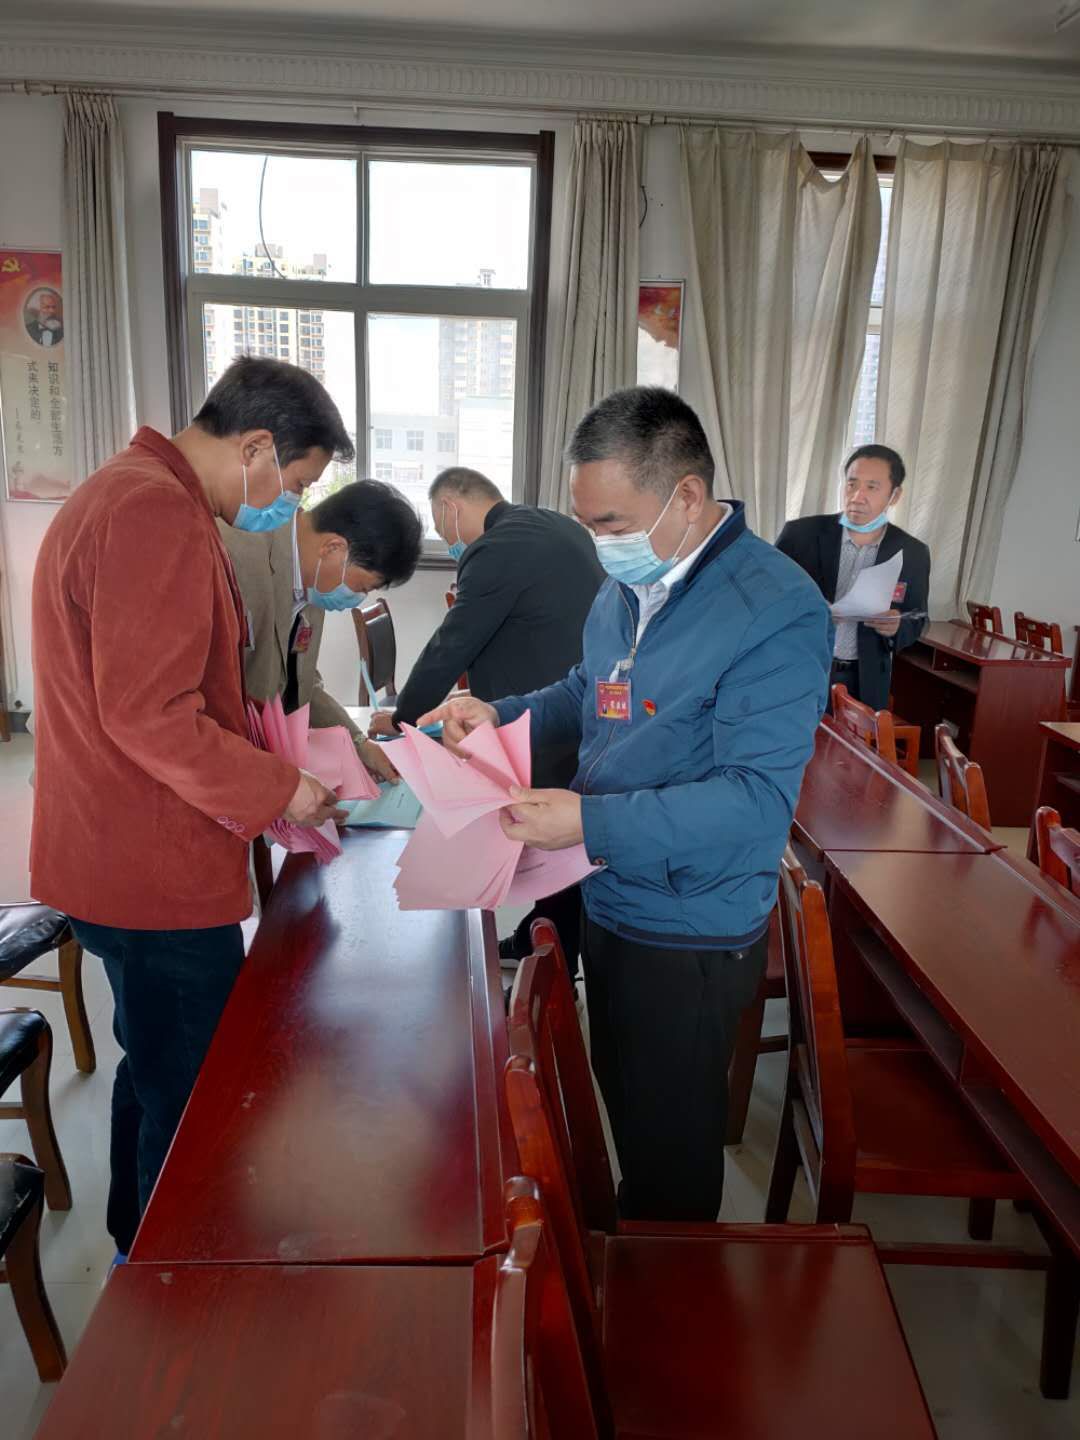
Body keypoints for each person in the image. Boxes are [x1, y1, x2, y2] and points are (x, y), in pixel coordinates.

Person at [419, 387, 832, 1223]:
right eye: (589, 525)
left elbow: (756, 802)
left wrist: (588, 820)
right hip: (608, 886)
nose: (601, 545)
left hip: (688, 924)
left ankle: (671, 1281)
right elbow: (591, 692)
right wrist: (499, 712)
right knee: (629, 1111)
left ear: (687, 496)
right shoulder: (629, 588)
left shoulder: (775, 609)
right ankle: (637, 1242)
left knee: (670, 1150)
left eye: (611, 524)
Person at [31, 355, 350, 1256]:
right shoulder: (153, 513)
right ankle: (176, 1287)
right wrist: (282, 787)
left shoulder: (135, 492)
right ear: (255, 447)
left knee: (156, 1065)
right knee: (193, 1095)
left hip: (117, 852)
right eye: (295, 483)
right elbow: (152, 714)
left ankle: (135, 1247)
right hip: (151, 871)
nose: (289, 504)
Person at [369, 466, 603, 972]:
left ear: (450, 508)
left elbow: (451, 644)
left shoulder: (496, 547)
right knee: (559, 847)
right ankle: (541, 937)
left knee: (547, 844)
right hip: (581, 709)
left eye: (440, 525)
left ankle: (553, 963)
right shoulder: (553, 525)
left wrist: (405, 718)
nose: (449, 539)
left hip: (543, 719)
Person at [219, 479, 423, 784]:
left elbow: (304, 686)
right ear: (333, 548)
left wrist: (360, 744)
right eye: (361, 586)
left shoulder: (313, 584)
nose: (358, 598)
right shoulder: (235, 554)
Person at [776, 444, 930, 712]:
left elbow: (918, 617)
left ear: (894, 495)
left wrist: (897, 624)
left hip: (862, 680)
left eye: (872, 487)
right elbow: (764, 594)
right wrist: (807, 610)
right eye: (852, 484)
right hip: (799, 669)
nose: (857, 496)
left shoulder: (912, 552)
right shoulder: (800, 535)